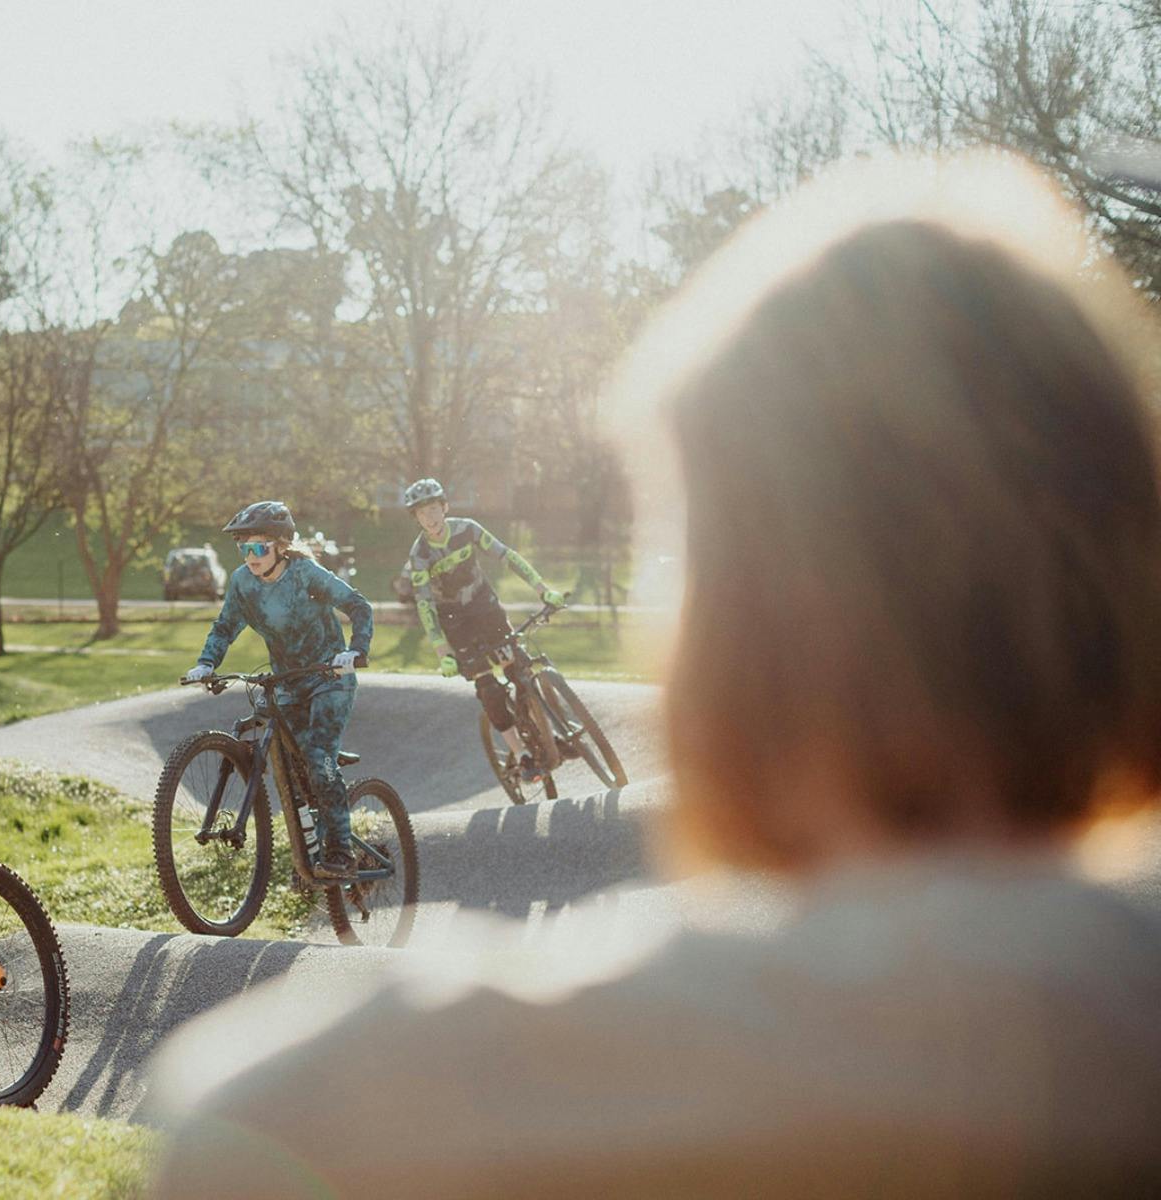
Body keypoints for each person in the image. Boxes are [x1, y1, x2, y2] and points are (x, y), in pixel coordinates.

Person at [148, 153, 1161, 1195]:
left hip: (421, 658)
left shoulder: (336, 1107)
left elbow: (223, 1124)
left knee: (335, 746)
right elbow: (295, 608)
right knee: (489, 694)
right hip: (460, 644)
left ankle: (347, 830)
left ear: (725, 622)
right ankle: (505, 750)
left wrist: (388, 637)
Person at [185, 501, 374, 879]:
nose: (251, 557)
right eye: (245, 548)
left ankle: (339, 852)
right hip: (287, 684)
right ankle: (309, 858)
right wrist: (207, 663)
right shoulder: (241, 582)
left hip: (328, 678)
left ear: (281, 546)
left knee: (319, 759)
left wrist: (356, 650)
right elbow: (225, 626)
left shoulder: (305, 574)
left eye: (259, 548)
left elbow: (358, 605)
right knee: (293, 774)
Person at [402, 477, 565, 782]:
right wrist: (443, 653)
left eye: (435, 509)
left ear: (445, 507)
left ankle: (552, 734)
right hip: (454, 621)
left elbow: (508, 556)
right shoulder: (419, 556)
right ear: (416, 519)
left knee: (519, 668)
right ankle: (521, 754)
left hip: (484, 606)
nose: (431, 518)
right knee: (488, 687)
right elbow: (425, 607)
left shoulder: (468, 528)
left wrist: (542, 589)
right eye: (423, 513)